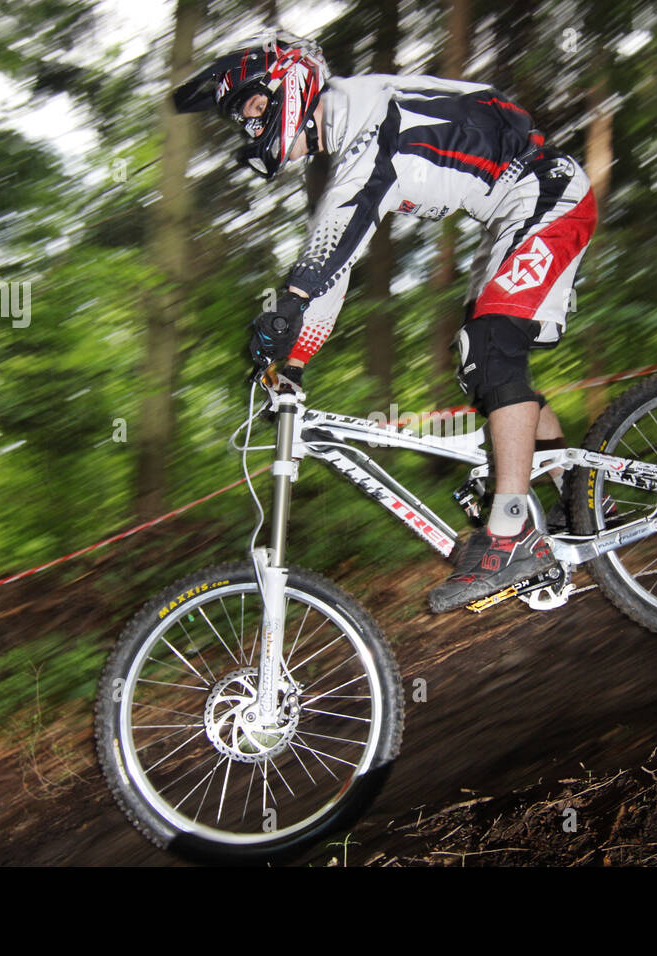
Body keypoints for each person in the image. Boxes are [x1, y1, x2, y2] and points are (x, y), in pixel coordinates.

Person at [174, 33, 598, 614]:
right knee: (487, 366)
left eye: (249, 109)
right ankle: (582, 500)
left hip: (546, 193)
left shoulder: (366, 120)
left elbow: (332, 242)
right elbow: (339, 256)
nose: (250, 130)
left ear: (289, 82)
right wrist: (293, 361)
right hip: (516, 204)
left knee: (491, 348)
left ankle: (512, 534)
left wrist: (289, 304)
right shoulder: (352, 128)